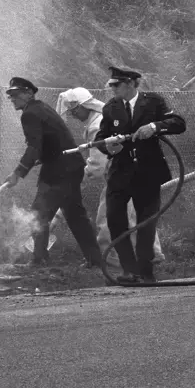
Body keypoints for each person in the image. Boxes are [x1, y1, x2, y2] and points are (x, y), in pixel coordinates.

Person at [52, 88, 166, 265]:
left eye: (75, 111)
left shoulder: (97, 125)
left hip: (121, 176)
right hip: (133, 172)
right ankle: (153, 253)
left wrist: (79, 176)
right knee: (137, 214)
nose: (74, 115)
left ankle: (111, 258)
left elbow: (98, 166)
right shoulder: (104, 118)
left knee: (107, 217)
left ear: (84, 106)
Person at [94, 67, 186, 284]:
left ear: (130, 84)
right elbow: (101, 138)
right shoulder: (111, 108)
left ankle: (145, 272)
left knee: (146, 224)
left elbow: (178, 123)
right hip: (120, 173)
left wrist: (154, 127)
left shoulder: (153, 102)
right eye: (112, 85)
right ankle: (129, 270)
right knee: (115, 220)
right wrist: (110, 147)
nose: (112, 89)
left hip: (148, 172)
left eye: (116, 85)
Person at [0, 77, 104, 268]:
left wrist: (18, 173)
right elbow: (51, 142)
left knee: (38, 215)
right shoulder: (41, 108)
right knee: (75, 215)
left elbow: (34, 147)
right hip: (70, 167)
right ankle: (95, 260)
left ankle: (39, 260)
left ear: (29, 93)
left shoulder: (29, 114)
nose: (12, 98)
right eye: (10, 95)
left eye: (16, 94)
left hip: (59, 171)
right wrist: (38, 159)